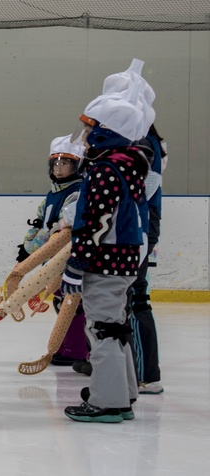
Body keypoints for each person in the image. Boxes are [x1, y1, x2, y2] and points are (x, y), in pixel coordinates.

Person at [62, 59, 154, 424]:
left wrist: (76, 263)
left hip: (106, 259)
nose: (84, 137)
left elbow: (95, 222)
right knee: (114, 325)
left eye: (90, 129)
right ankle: (121, 388)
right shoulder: (129, 162)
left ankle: (109, 401)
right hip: (125, 256)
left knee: (102, 326)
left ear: (106, 133)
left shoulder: (105, 169)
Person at [16, 135, 87, 366]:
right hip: (52, 257)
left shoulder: (76, 193)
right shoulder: (52, 194)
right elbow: (40, 222)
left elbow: (58, 229)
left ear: (77, 166)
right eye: (55, 163)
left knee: (71, 304)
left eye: (65, 163)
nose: (59, 167)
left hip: (68, 257)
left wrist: (34, 249)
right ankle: (69, 346)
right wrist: (27, 247)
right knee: (61, 300)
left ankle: (76, 349)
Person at [129, 124, 166, 394]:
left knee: (134, 296)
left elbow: (143, 186)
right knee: (128, 297)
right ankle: (131, 368)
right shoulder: (143, 137)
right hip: (139, 222)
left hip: (138, 223)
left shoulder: (141, 139)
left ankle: (145, 374)